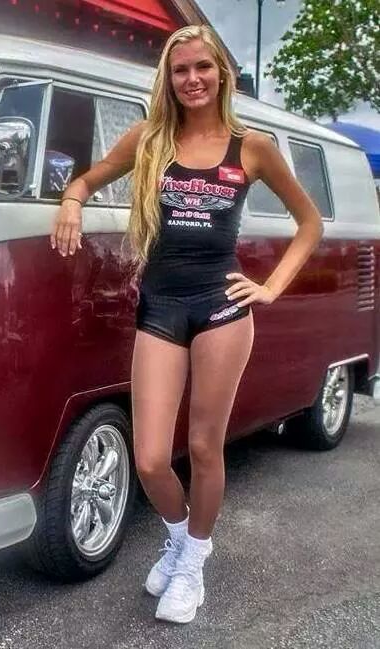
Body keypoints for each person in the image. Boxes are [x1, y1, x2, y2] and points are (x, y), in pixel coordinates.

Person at [50, 25, 323, 624]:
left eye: (203, 67)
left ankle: (192, 563)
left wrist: (271, 286)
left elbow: (310, 223)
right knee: (150, 458)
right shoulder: (150, 139)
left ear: (222, 74)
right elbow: (88, 178)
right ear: (168, 79)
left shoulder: (251, 147)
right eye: (181, 70)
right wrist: (71, 202)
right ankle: (180, 542)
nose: (192, 79)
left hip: (222, 307)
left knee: (203, 445)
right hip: (162, 306)